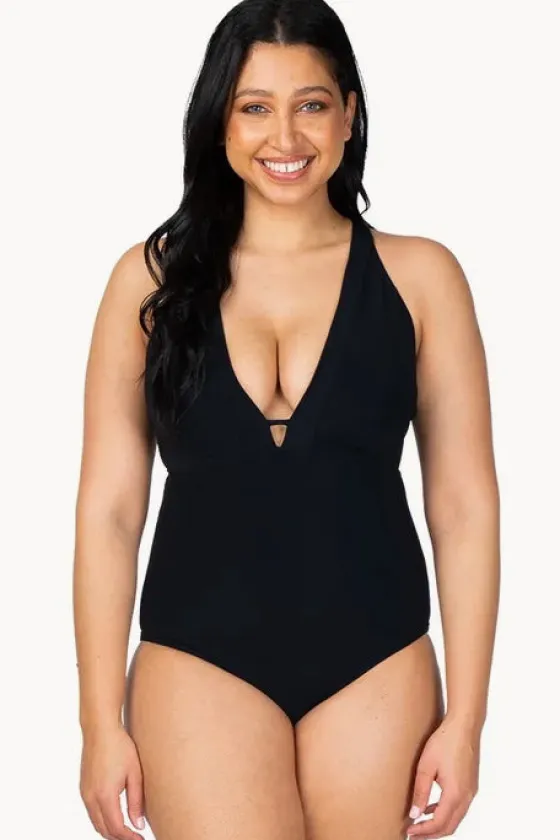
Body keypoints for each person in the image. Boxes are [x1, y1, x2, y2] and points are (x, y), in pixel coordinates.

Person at [73, 1, 500, 838]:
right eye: (254, 107)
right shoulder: (147, 283)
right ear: (220, 121)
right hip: (197, 662)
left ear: (349, 115)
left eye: (311, 104)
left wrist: (469, 721)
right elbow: (110, 511)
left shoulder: (422, 278)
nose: (285, 137)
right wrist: (97, 723)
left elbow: (464, 507)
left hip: (377, 663)